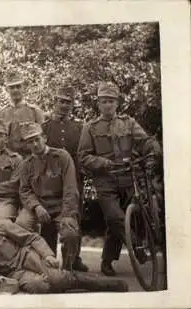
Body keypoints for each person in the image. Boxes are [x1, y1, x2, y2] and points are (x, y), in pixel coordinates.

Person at [77, 82, 162, 276]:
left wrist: (152, 152)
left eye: (111, 101)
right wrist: (102, 163)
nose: (107, 105)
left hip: (128, 177)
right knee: (115, 217)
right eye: (104, 101)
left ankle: (107, 261)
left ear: (117, 103)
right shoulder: (90, 128)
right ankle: (138, 247)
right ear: (98, 104)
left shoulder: (128, 123)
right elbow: (83, 157)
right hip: (105, 181)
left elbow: (145, 141)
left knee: (117, 223)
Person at [0, 208, 129, 293]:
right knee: (39, 286)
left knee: (57, 278)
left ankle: (112, 285)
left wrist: (47, 254)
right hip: (14, 274)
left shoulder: (1, 225)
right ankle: (57, 281)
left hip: (27, 257)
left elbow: (32, 238)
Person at [12, 122, 80, 271]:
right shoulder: (26, 165)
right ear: (27, 145)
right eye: (30, 141)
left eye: (37, 139)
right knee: (20, 225)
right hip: (39, 205)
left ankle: (68, 269)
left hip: (61, 206)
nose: (35, 144)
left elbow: (70, 188)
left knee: (70, 234)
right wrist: (36, 207)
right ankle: (28, 263)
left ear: (45, 138)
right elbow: (25, 191)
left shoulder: (62, 157)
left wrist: (67, 214)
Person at [41, 86, 89, 272]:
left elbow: (83, 154)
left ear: (73, 104)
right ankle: (49, 259)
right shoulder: (45, 128)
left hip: (73, 181)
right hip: (50, 182)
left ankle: (74, 258)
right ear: (55, 102)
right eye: (61, 101)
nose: (64, 105)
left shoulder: (80, 128)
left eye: (68, 102)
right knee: (49, 221)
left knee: (74, 217)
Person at [0, 70, 45, 157]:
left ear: (23, 88)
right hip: (9, 160)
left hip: (30, 159)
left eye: (18, 86)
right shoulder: (1, 114)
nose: (15, 90)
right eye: (12, 87)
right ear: (7, 89)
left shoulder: (35, 111)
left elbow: (42, 140)